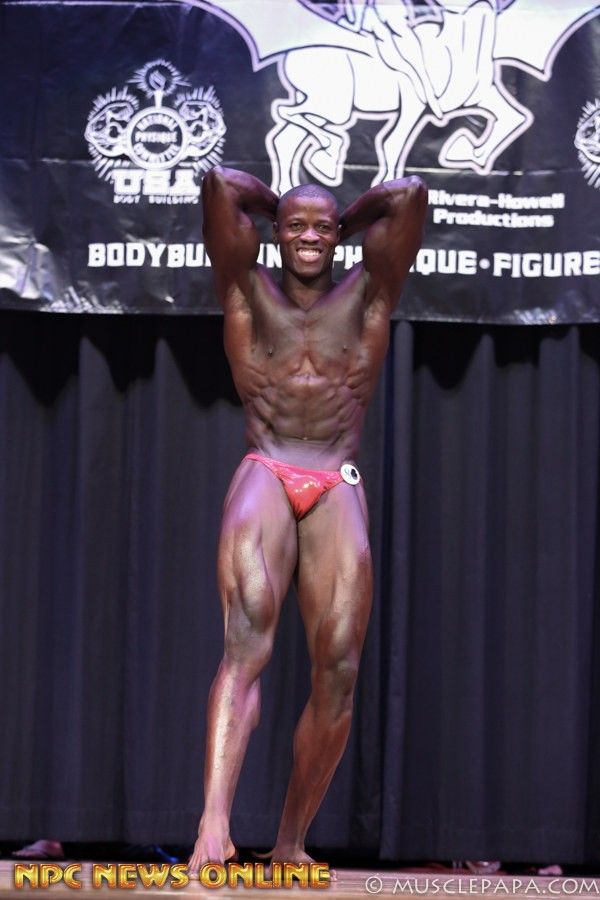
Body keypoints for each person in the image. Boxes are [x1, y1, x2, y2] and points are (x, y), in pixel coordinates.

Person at [188, 165, 427, 872]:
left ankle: (290, 839)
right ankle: (212, 825)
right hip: (267, 463)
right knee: (245, 639)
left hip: (333, 472)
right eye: (296, 227)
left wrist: (340, 220)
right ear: (275, 233)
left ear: (340, 236)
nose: (310, 237)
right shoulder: (244, 288)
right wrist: (280, 208)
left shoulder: (371, 293)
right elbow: (218, 185)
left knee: (340, 668)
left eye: (323, 228)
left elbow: (409, 195)